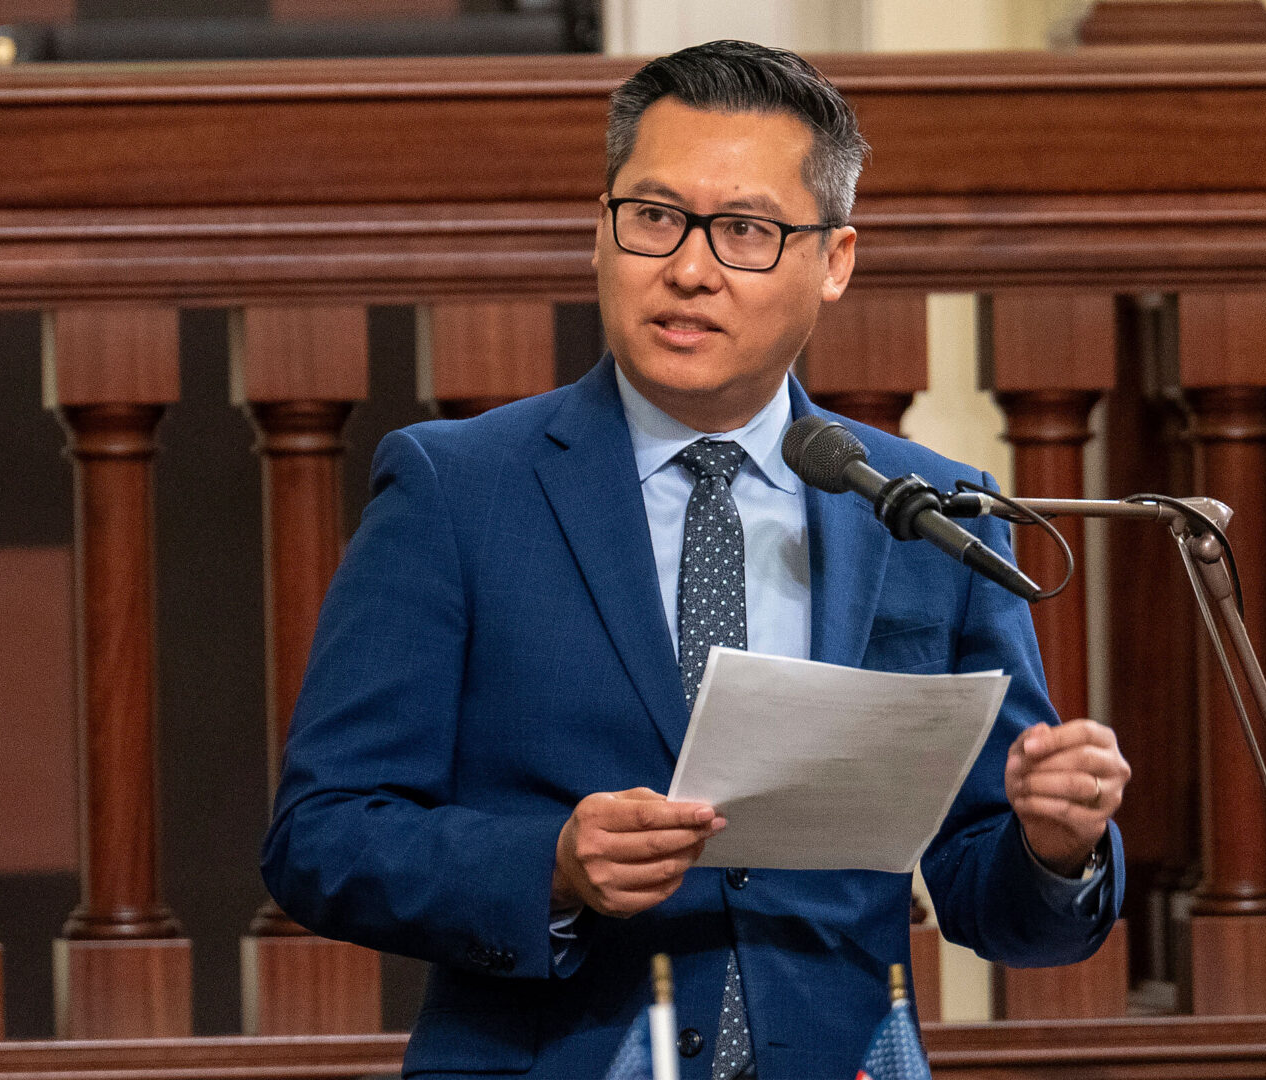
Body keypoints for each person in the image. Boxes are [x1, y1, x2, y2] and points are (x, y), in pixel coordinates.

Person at [262, 39, 1129, 1079]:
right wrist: (552, 866)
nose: (689, 268)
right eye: (656, 217)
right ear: (602, 231)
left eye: (747, 231)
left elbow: (1010, 910)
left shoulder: (923, 512)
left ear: (835, 261)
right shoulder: (457, 490)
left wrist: (1055, 844)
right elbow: (322, 838)